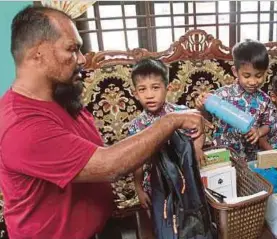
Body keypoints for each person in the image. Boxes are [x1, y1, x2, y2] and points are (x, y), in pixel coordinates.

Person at [0, 6, 204, 239]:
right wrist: (170, 121)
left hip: (103, 227)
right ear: (38, 54)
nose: (81, 58)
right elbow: (109, 165)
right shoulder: (22, 125)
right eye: (72, 49)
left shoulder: (63, 96)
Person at [127, 58, 205, 209]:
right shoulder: (136, 126)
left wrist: (197, 147)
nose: (149, 95)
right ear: (135, 93)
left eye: (155, 87)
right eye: (142, 89)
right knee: (163, 219)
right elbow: (136, 162)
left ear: (167, 88)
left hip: (185, 177)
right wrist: (138, 188)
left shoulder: (181, 113)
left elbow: (199, 128)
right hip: (156, 183)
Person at [195, 39, 271, 161]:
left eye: (259, 75)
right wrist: (201, 107)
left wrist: (259, 132)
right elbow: (207, 119)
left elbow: (267, 124)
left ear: (266, 72)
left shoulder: (265, 100)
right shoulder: (221, 94)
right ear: (235, 71)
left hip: (249, 157)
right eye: (247, 76)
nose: (252, 82)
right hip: (222, 152)